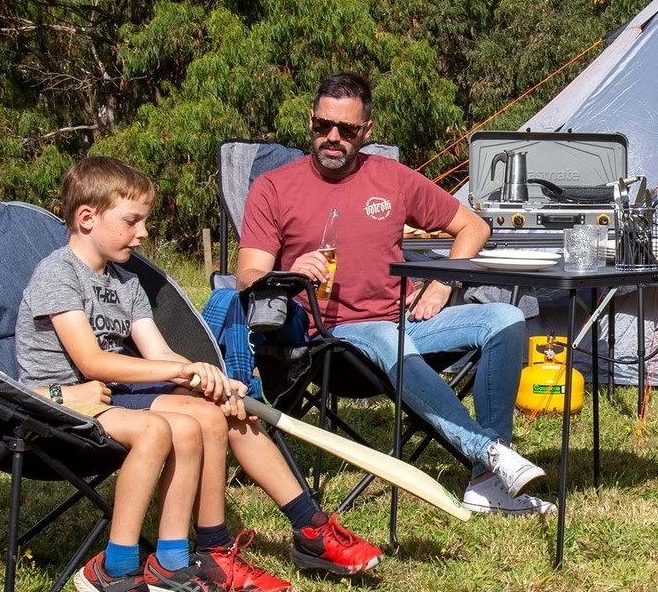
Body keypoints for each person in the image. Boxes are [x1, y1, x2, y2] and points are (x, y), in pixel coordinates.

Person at [16, 157, 384, 592]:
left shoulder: (126, 283)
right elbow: (92, 362)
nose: (144, 233)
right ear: (87, 218)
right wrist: (181, 371)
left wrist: (206, 377)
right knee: (160, 429)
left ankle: (183, 559)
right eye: (132, 221)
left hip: (112, 392)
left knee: (213, 414)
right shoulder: (59, 274)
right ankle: (119, 567)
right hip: (61, 399)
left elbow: (157, 352)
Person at [236, 71, 553, 515]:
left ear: (366, 132)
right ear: (310, 120)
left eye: (346, 130)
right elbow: (248, 275)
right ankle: (489, 453)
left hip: (400, 324)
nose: (332, 137)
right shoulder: (273, 188)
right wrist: (289, 270)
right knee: (388, 338)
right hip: (328, 341)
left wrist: (443, 281)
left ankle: (487, 486)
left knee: (505, 319)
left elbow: (474, 226)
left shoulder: (393, 179)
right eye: (322, 126)